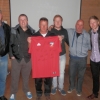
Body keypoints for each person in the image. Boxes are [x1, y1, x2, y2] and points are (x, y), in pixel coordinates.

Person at [28, 17, 62, 100]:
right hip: (39, 63)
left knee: (48, 79)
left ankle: (47, 93)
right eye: (42, 25)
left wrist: (59, 41)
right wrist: (29, 42)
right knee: (38, 79)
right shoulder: (34, 36)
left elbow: (58, 49)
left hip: (49, 63)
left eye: (45, 25)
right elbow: (30, 50)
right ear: (39, 25)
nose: (43, 27)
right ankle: (39, 93)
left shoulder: (53, 36)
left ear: (47, 25)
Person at [9, 14, 35, 100]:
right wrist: (11, 55)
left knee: (26, 77)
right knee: (14, 77)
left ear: (27, 21)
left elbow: (36, 44)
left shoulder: (32, 32)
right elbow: (10, 43)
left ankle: (26, 90)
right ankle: (13, 93)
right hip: (17, 58)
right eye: (21, 19)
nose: (23, 21)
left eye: (24, 19)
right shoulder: (14, 30)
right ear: (18, 21)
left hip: (28, 59)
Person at [67, 20, 91, 96]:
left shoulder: (87, 35)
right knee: (72, 74)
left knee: (81, 75)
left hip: (82, 59)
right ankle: (71, 87)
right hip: (73, 58)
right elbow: (60, 29)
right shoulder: (70, 32)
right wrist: (51, 27)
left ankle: (79, 89)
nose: (79, 26)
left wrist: (83, 50)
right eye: (78, 24)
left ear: (83, 26)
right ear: (75, 24)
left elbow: (89, 46)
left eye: (81, 25)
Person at [50, 15, 69, 96]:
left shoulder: (65, 31)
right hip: (53, 55)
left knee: (61, 72)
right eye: (56, 20)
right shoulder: (50, 31)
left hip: (62, 55)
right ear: (53, 22)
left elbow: (68, 42)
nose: (57, 22)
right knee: (54, 72)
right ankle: (54, 86)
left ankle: (61, 87)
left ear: (61, 21)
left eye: (59, 20)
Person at [87, 16, 100, 99]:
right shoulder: (90, 32)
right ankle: (95, 93)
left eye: (94, 22)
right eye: (90, 23)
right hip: (93, 59)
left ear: (98, 22)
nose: (92, 24)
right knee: (95, 77)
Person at [0, 10, 10, 100]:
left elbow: (10, 40)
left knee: (3, 77)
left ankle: (1, 95)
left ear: (1, 15)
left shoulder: (6, 27)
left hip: (3, 57)